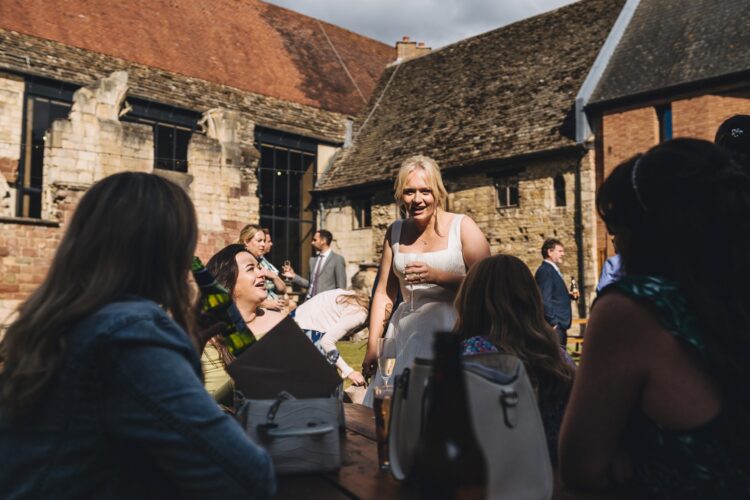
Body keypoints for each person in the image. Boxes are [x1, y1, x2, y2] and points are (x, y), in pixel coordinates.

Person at [0, 172, 275, 499]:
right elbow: (247, 477)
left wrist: (186, 350)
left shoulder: (53, 322)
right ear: (165, 252)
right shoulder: (129, 332)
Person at [560, 139, 750, 497]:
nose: (615, 242)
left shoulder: (635, 310)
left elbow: (581, 467)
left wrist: (629, 448)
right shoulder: (734, 294)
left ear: (643, 231)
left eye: (616, 229)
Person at [361, 155, 490, 405]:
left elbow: (490, 283)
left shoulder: (462, 227)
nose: (417, 199)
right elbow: (383, 293)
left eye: (425, 191)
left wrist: (439, 277)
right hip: (405, 334)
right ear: (400, 194)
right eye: (409, 192)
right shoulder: (395, 231)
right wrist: (374, 344)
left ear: (438, 192)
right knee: (396, 408)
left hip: (453, 330)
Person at [455, 254, 575, 464]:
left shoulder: (470, 354)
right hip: (550, 477)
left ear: (471, 300)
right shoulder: (559, 357)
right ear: (530, 298)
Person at [292, 270, 374, 386]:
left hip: (293, 325)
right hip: (304, 335)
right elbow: (327, 342)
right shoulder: (360, 313)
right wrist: (350, 372)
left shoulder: (351, 296)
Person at [535, 238, 579, 346]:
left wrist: (569, 295)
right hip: (555, 326)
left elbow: (553, 296)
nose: (563, 254)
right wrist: (553, 322)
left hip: (560, 325)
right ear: (550, 252)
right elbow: (544, 299)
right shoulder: (546, 271)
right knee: (558, 359)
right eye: (560, 251)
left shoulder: (552, 270)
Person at [283, 229, 347, 298]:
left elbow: (341, 288)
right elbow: (310, 284)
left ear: (323, 241)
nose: (312, 242)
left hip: (325, 304)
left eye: (315, 240)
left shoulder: (337, 259)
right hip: (309, 300)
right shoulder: (313, 260)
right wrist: (293, 276)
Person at [238, 223, 287, 311]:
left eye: (264, 241)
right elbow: (238, 295)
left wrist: (273, 276)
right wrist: (267, 304)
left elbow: (282, 289)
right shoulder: (240, 262)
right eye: (259, 240)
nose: (263, 244)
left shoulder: (262, 261)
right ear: (246, 241)